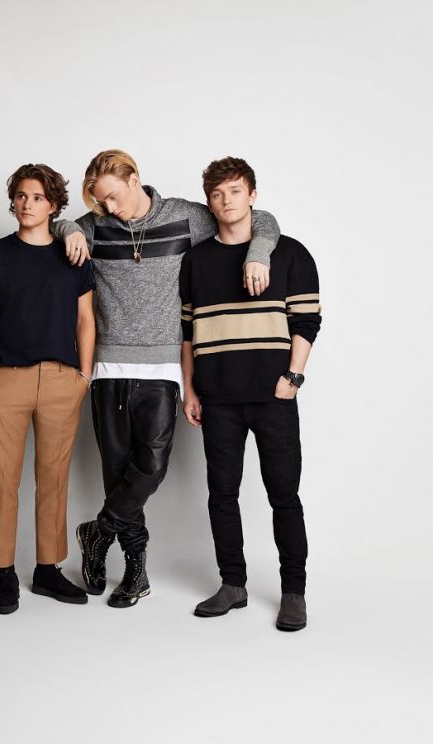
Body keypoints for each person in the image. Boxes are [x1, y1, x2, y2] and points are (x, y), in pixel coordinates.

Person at [54, 150, 279, 608]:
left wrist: (258, 254)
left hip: (162, 366)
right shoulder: (96, 225)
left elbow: (258, 219)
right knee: (117, 474)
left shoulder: (184, 217)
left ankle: (97, 531)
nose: (109, 208)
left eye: (114, 196)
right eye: (100, 202)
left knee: (151, 467)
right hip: (108, 366)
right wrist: (70, 228)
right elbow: (57, 225)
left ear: (134, 179)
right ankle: (135, 573)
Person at [180, 157, 321, 631]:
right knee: (222, 495)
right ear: (209, 202)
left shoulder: (291, 253)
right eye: (217, 194)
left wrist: (292, 379)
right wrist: (190, 389)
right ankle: (233, 584)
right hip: (217, 398)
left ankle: (294, 592)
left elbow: (307, 322)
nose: (227, 201)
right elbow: (187, 332)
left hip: (273, 396)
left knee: (284, 495)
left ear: (253, 195)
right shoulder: (196, 260)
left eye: (235, 191)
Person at [0, 163, 95, 615]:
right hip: (6, 379)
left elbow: (86, 320)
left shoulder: (74, 257)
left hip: (62, 380)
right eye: (21, 196)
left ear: (54, 205)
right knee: (4, 478)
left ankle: (47, 568)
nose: (27, 204)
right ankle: (3, 571)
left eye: (38, 197)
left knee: (53, 478)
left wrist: (83, 376)